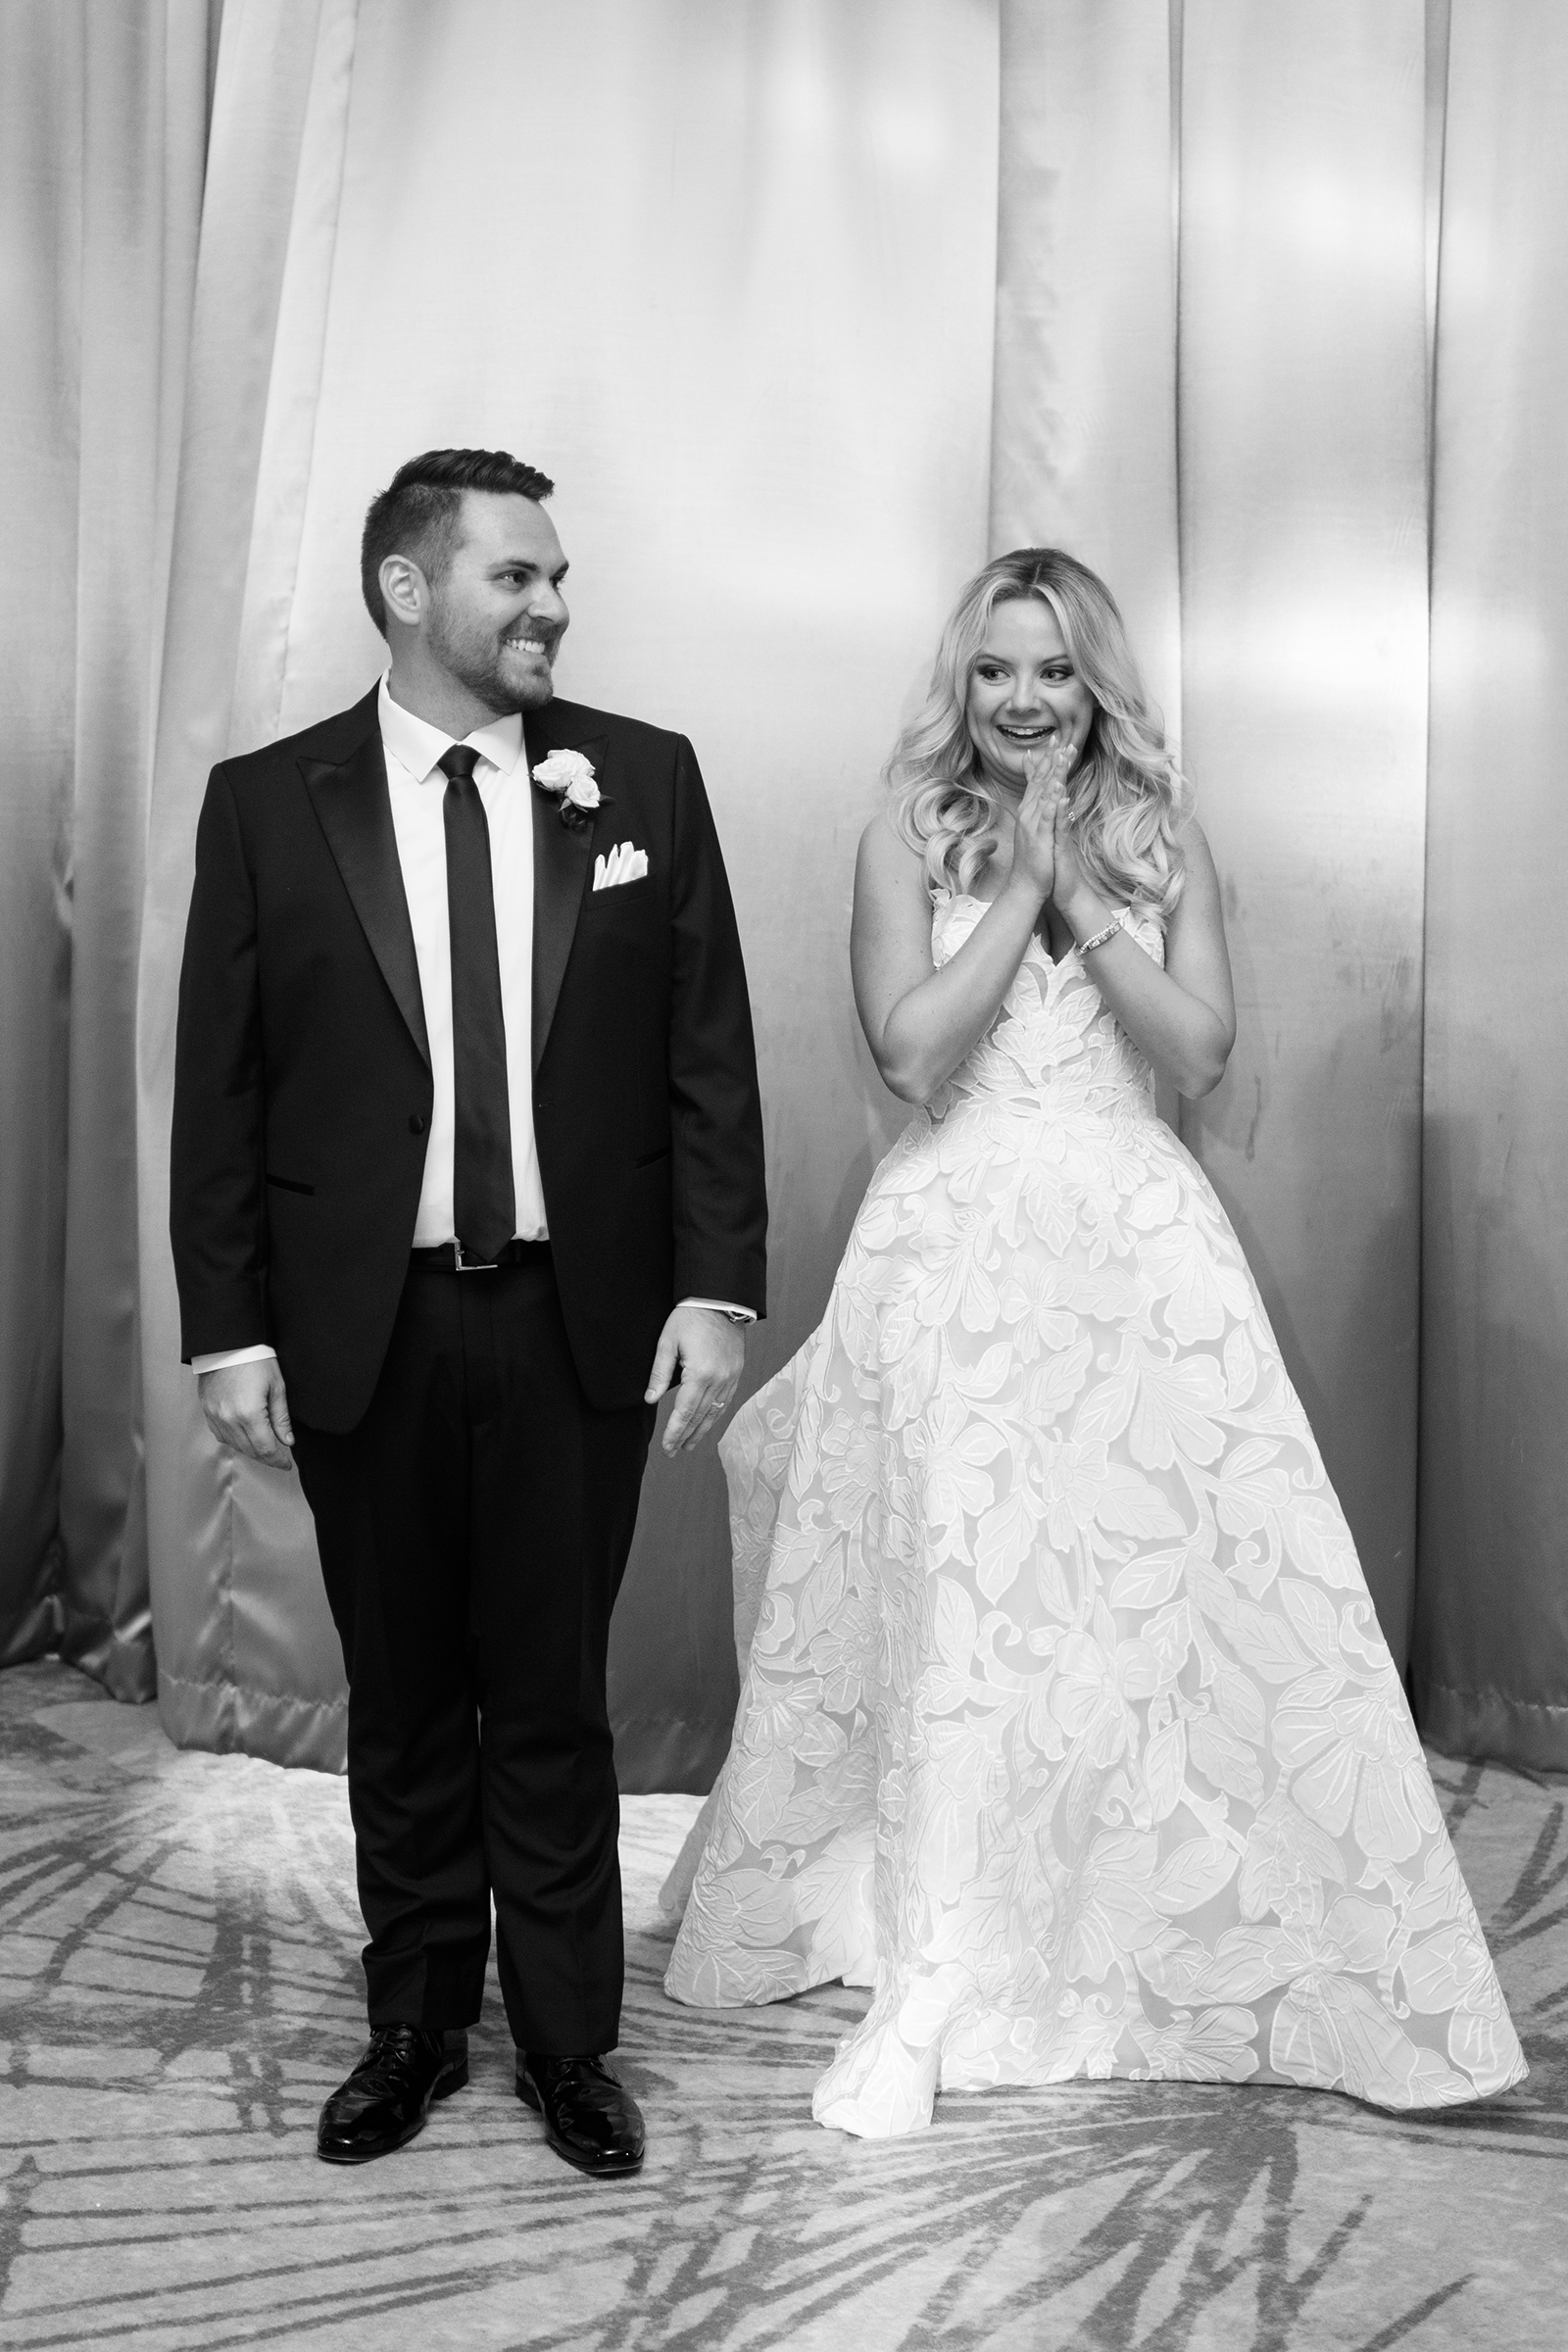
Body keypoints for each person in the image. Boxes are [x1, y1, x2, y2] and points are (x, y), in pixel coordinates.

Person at [662, 548, 1524, 2138]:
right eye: (996, 669)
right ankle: (956, 1913)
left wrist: (1083, 896)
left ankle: (1136, 1903)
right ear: (961, 683)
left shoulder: (1162, 835)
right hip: (952, 1248)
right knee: (969, 1582)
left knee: (1145, 1590)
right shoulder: (900, 836)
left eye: (1053, 671)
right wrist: (1019, 894)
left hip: (1136, 1248)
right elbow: (913, 1051)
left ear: (1095, 683)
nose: (1024, 700)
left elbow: (1198, 1051)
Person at [171, 447, 767, 2174]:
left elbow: (705, 1059)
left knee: (552, 1689)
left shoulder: (642, 780)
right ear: (409, 590)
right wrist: (229, 1328)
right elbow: (224, 1090)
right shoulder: (267, 803)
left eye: (558, 577)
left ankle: (570, 2043)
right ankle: (417, 2022)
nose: (554, 606)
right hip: (367, 1323)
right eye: (518, 576)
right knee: (409, 1696)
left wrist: (715, 1289)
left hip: (580, 1325)